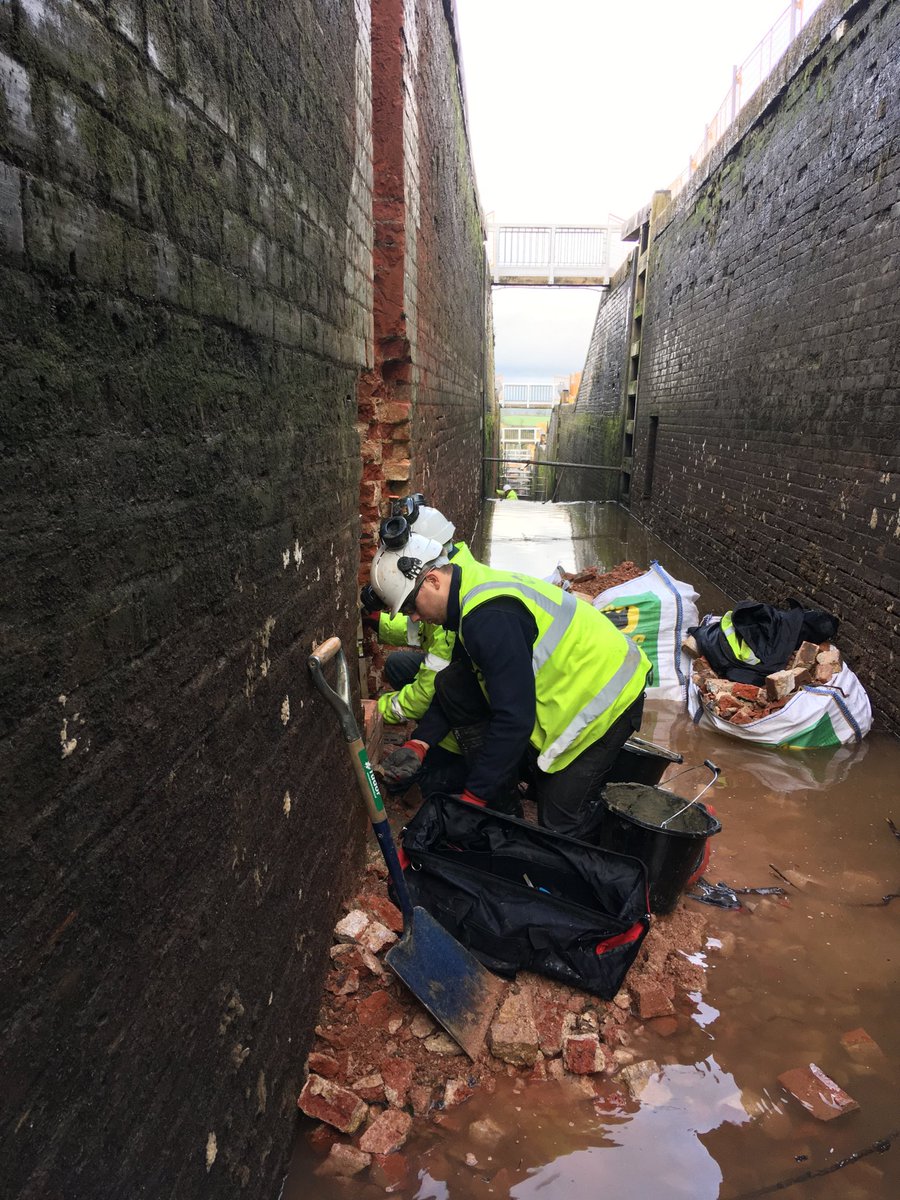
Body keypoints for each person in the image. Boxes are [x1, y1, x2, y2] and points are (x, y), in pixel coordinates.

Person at [373, 537, 650, 836]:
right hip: (570, 683)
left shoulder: (488, 618)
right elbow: (460, 676)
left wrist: (472, 799)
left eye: (412, 605)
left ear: (433, 580)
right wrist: (420, 743)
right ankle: (508, 801)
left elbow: (515, 720)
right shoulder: (470, 593)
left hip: (607, 697)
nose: (413, 617)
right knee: (451, 682)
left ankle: (634, 847)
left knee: (560, 825)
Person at [363, 501, 473, 798]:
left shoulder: (462, 607)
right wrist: (379, 622)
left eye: (412, 605)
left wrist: (378, 711)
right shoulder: (452, 575)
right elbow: (422, 631)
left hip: (483, 711)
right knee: (399, 664)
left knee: (427, 783)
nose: (412, 614)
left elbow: (429, 690)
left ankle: (456, 755)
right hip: (464, 684)